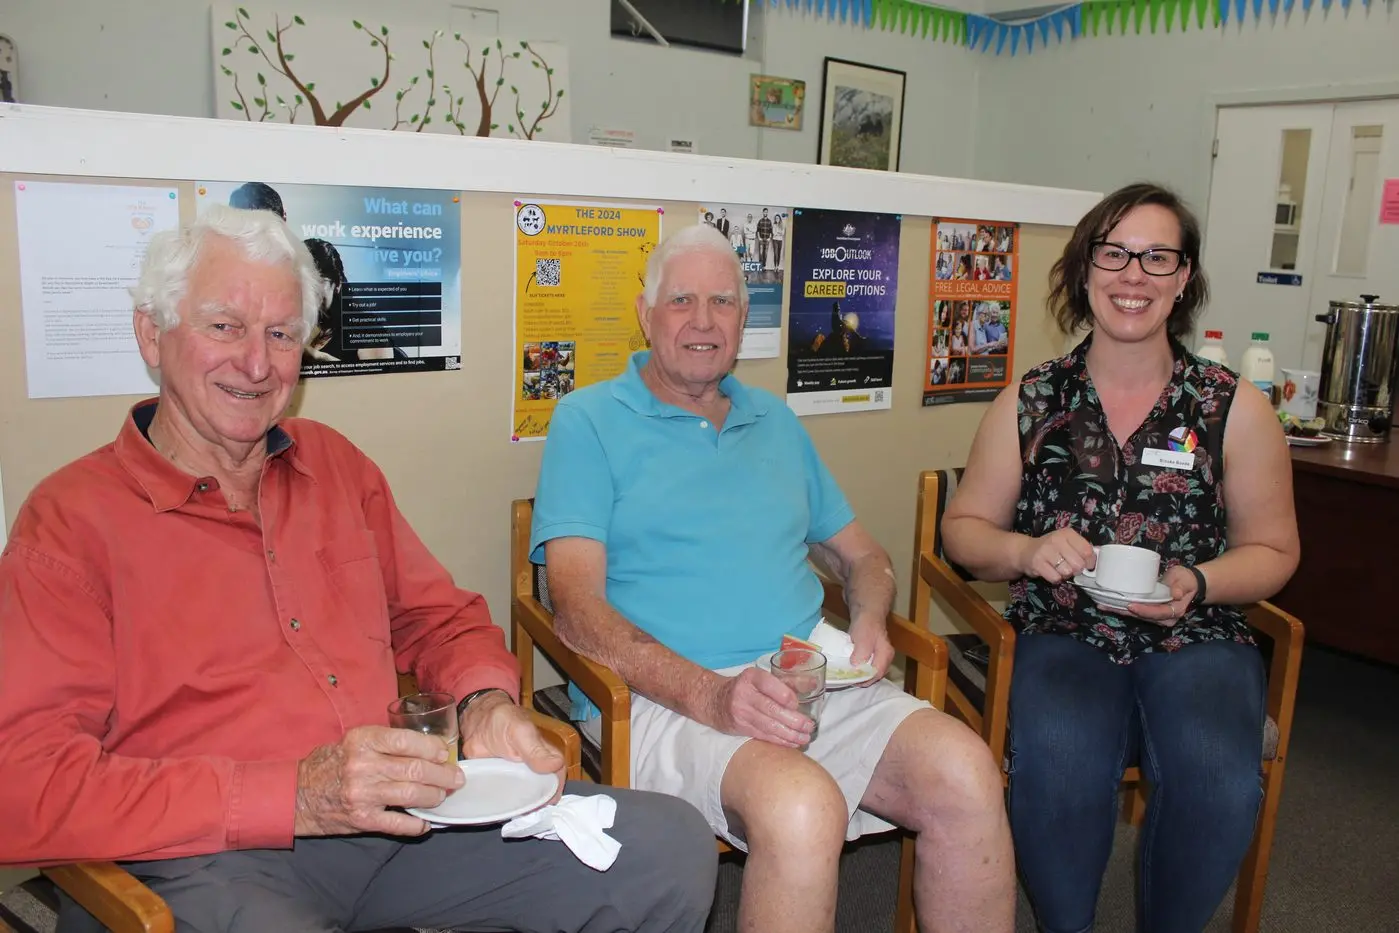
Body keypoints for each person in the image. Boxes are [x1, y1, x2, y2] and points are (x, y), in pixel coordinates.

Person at [0, 205, 717, 933]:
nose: (256, 362)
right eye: (224, 326)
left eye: (281, 334)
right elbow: (22, 785)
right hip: (202, 857)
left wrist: (483, 705)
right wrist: (292, 795)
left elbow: (439, 617)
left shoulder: (333, 465)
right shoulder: (71, 521)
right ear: (153, 334)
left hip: (399, 820)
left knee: (666, 848)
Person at [528, 224, 1014, 933]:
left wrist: (872, 617)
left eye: (722, 302)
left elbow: (866, 558)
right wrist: (712, 694)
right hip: (661, 691)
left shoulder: (776, 422)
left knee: (968, 771)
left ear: (743, 320)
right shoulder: (588, 421)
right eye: (682, 300)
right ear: (645, 311)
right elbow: (573, 608)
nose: (702, 321)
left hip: (803, 671)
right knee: (800, 805)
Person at [940, 182, 1300, 933]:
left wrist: (1197, 581)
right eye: (1113, 253)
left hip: (1194, 633)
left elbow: (1273, 550)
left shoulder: (1231, 406)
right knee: (1059, 769)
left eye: (1156, 256)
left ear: (1184, 279)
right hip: (1064, 630)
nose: (1132, 274)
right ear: (1083, 270)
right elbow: (964, 529)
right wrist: (1025, 548)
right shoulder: (1031, 400)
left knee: (1215, 779)